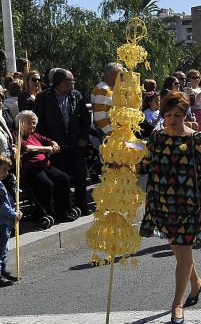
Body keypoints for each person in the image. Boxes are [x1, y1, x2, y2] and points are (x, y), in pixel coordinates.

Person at [138, 92, 201, 324]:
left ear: (185, 115)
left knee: (183, 252)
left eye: (178, 115)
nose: (172, 119)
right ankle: (197, 283)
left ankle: (176, 305)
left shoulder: (196, 140)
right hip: (161, 203)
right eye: (168, 114)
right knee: (179, 250)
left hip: (189, 205)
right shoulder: (156, 138)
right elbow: (145, 165)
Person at [33, 68, 91, 213]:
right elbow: (39, 124)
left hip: (76, 144)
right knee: (62, 180)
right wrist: (47, 143)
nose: (74, 84)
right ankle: (64, 209)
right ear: (62, 82)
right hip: (57, 147)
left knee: (80, 177)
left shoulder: (76, 96)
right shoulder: (43, 97)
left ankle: (83, 206)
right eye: (72, 81)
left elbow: (85, 118)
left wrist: (84, 138)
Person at [16, 110, 76, 227]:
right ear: (21, 122)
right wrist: (48, 149)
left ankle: (63, 211)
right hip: (31, 169)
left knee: (64, 179)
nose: (32, 125)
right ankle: (42, 213)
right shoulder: (17, 135)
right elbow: (28, 147)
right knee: (46, 184)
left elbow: (48, 140)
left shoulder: (35, 135)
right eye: (29, 122)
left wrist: (54, 144)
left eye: (34, 123)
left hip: (45, 165)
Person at [0, 155, 22, 286]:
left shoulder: (1, 183)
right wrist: (14, 214)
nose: (6, 173)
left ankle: (3, 270)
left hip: (5, 222)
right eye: (4, 169)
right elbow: (2, 206)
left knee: (4, 248)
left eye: (7, 170)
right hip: (2, 222)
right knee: (1, 249)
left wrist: (15, 210)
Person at [91, 62, 123, 142]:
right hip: (108, 135)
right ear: (113, 75)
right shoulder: (103, 89)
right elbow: (99, 117)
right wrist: (112, 134)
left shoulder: (109, 89)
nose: (123, 78)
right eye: (121, 74)